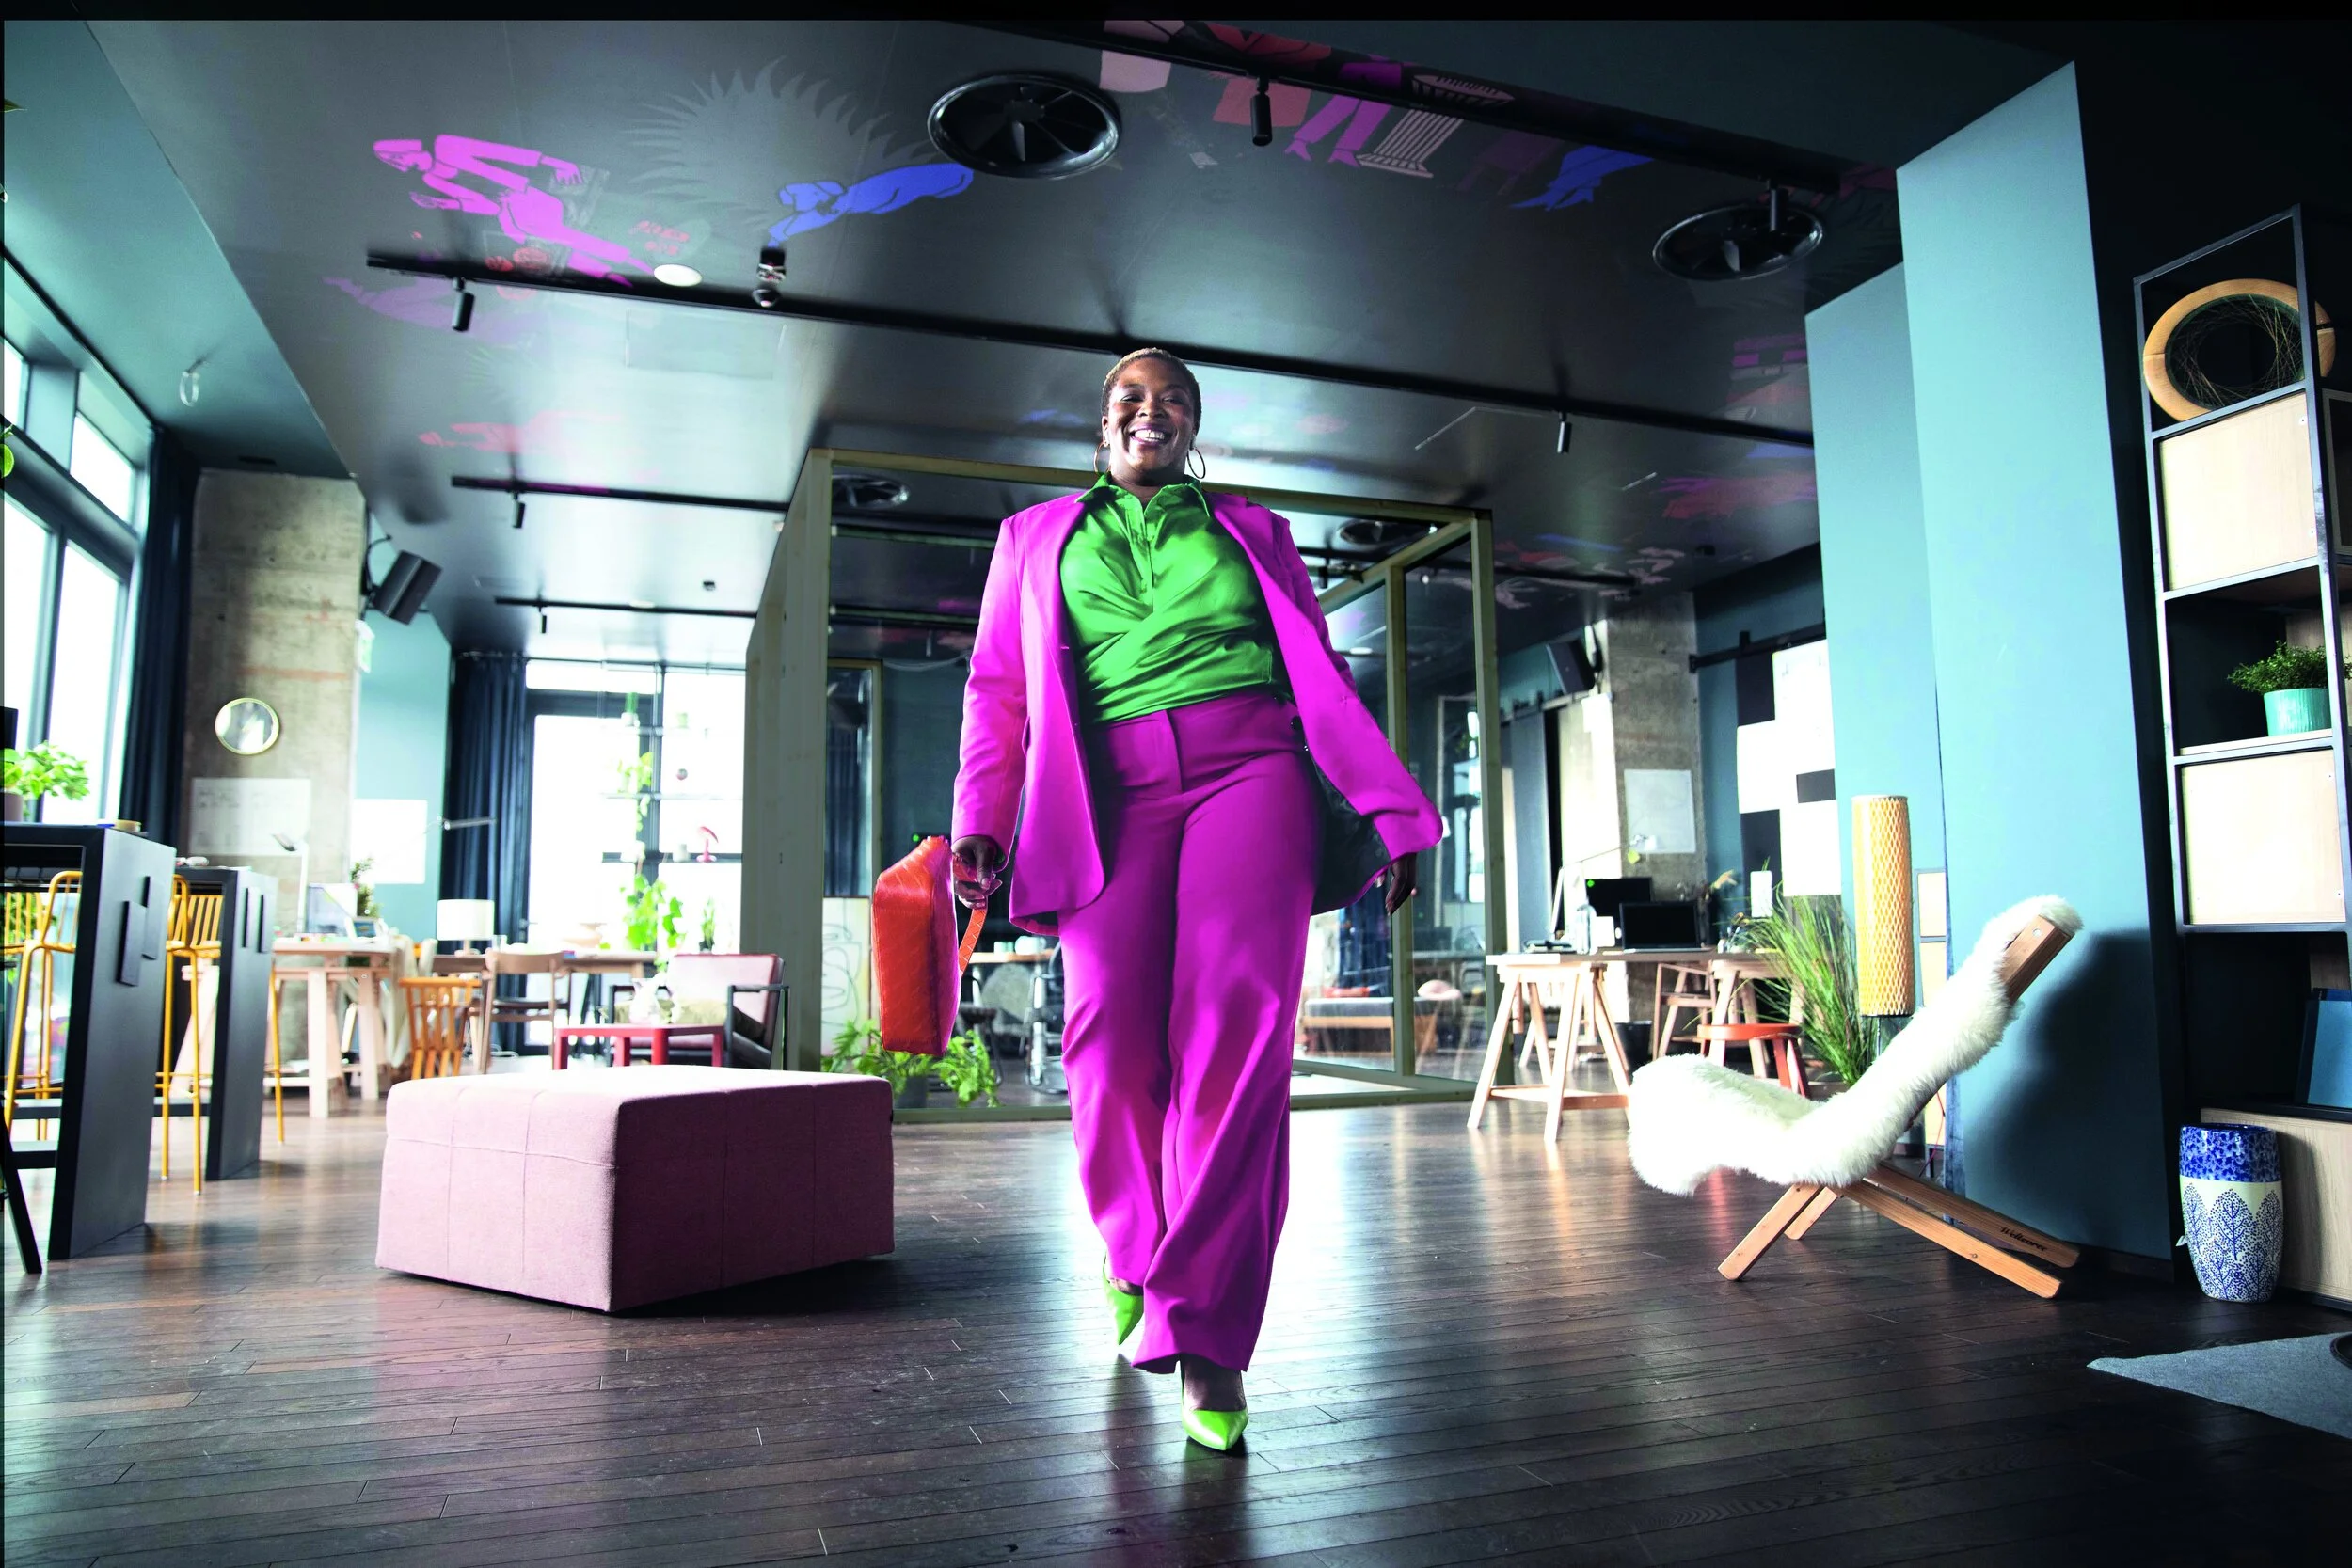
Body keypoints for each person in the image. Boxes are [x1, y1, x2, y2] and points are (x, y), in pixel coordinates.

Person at [950, 348, 1439, 1450]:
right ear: (1102, 423)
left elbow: (1320, 671)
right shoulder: (1032, 537)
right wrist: (982, 814)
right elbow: (997, 687)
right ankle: (1135, 1251)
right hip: (1100, 789)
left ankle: (1208, 1332)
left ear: (1192, 427)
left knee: (1235, 1039)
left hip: (1248, 770)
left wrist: (1388, 804)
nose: (1151, 411)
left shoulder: (1253, 530)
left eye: (1173, 400)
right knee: (1107, 1039)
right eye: (1131, 397)